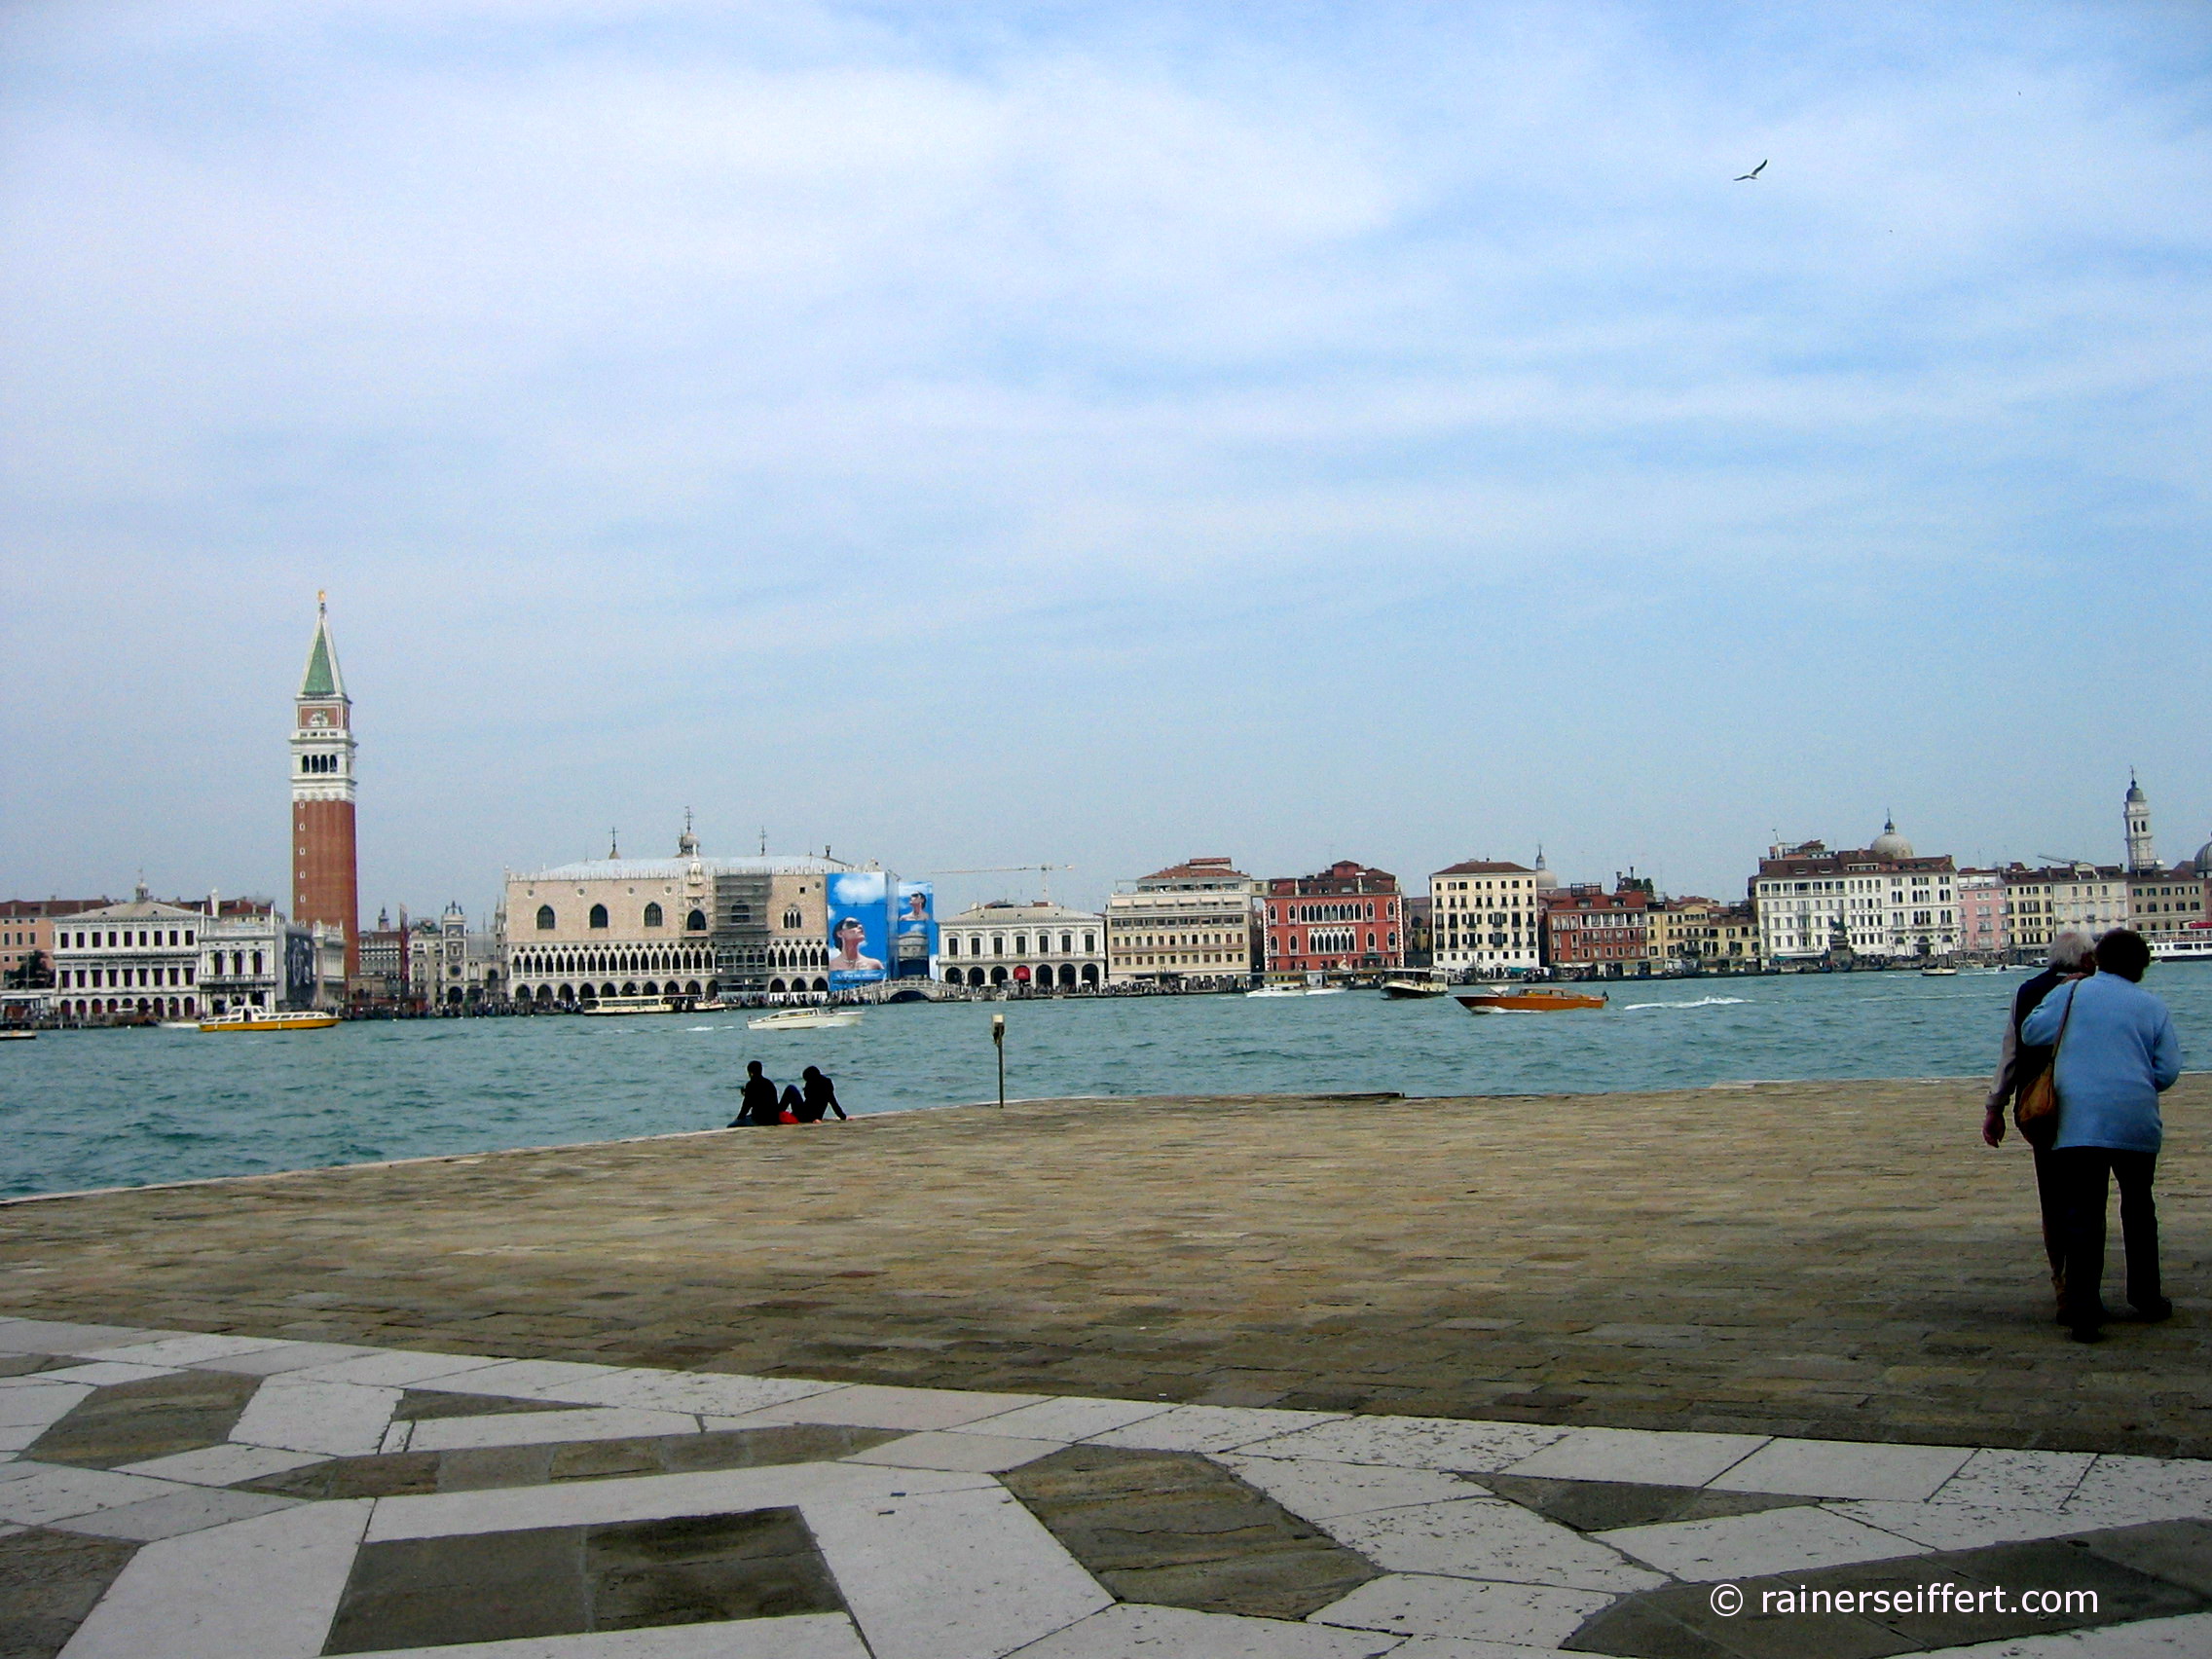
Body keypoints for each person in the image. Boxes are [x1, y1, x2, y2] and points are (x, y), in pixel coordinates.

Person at [2020, 929, 2184, 1343]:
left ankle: (2084, 1310)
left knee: (2083, 1214)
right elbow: (2167, 1071)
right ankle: (2146, 1296)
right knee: (2139, 1208)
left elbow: (2031, 1032)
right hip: (2135, 1117)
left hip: (2080, 1120)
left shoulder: (2072, 994)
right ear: (2142, 966)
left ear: (2096, 960)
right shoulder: (2152, 1006)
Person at [1981, 930, 2096, 1311]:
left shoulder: (2027, 991)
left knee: (2052, 1196)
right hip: (2088, 1105)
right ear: (2086, 960)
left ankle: (2061, 1279)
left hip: (2039, 1107)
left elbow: (2010, 1054)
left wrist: (1995, 1106)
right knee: (2088, 1195)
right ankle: (2085, 1284)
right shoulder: (2095, 992)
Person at [730, 1060, 780, 1126]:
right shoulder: (769, 1083)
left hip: (759, 1120)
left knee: (731, 1125)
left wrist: (739, 1118)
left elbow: (746, 1106)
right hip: (773, 1118)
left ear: (751, 1073)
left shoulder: (751, 1084)